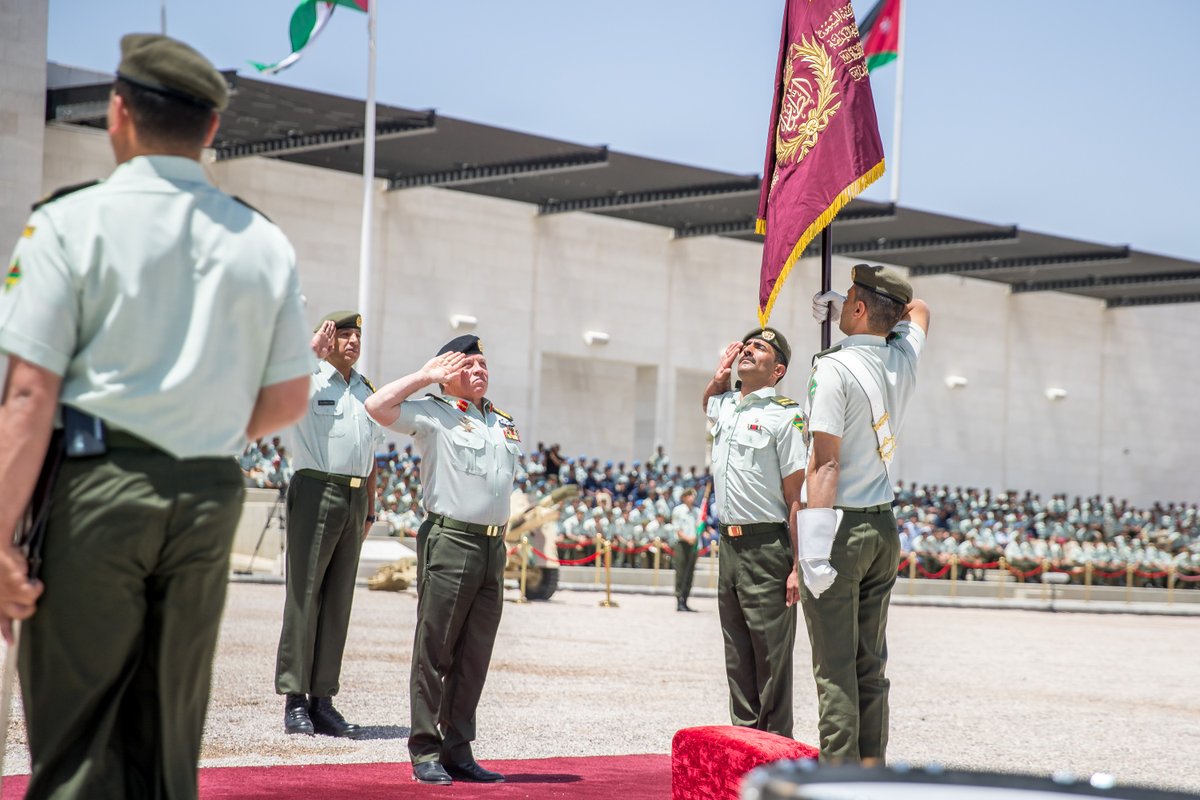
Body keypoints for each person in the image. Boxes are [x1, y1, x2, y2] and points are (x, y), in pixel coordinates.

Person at [0, 34, 312, 800]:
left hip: (98, 487)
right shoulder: (263, 241)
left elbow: (30, 396)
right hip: (208, 490)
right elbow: (288, 400)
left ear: (118, 112)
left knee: (78, 739)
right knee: (170, 732)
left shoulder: (71, 222)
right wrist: (201, 425)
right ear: (211, 130)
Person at [364, 334, 519, 785]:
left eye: (483, 364)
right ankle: (425, 750)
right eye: (468, 364)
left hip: (493, 546)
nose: (480, 370)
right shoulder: (434, 413)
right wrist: (424, 375)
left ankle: (458, 748)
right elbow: (377, 408)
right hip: (450, 542)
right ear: (447, 375)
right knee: (436, 650)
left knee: (475, 654)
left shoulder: (502, 422)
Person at [799, 264, 930, 764]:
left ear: (855, 309)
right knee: (870, 663)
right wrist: (872, 310)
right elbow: (919, 309)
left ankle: (837, 780)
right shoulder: (903, 357)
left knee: (834, 668)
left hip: (842, 527)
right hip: (882, 526)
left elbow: (825, 462)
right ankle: (873, 771)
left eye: (848, 298)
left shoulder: (832, 368)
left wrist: (812, 548)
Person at [274, 311, 383, 738]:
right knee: (305, 597)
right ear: (327, 338)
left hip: (355, 497)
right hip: (317, 489)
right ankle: (294, 700)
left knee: (338, 601)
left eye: (357, 335)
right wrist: (309, 354)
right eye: (344, 335)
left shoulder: (366, 390)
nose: (352, 342)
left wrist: (371, 509)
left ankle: (323, 699)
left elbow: (372, 454)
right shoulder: (308, 379)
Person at [702, 326, 807, 738]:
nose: (748, 350)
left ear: (777, 369)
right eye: (746, 346)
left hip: (767, 545)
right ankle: (745, 742)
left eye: (759, 348)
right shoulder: (728, 404)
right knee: (738, 652)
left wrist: (799, 564)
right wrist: (719, 374)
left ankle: (777, 747)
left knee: (772, 657)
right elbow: (708, 402)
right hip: (730, 544)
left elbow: (796, 495)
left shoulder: (786, 415)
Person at [671, 488, 701, 612]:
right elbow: (677, 530)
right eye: (689, 495)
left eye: (693, 495)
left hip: (693, 546)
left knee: (689, 574)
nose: (692, 497)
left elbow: (699, 528)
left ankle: (686, 599)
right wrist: (688, 538)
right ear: (684, 497)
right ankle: (679, 600)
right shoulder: (678, 510)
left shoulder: (697, 511)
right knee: (681, 573)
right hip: (682, 544)